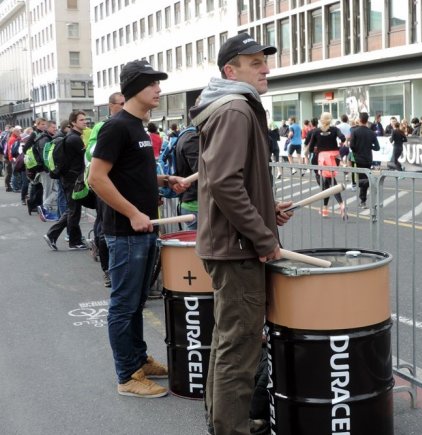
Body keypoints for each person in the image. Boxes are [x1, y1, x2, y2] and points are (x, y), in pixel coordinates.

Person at [187, 32, 293, 435]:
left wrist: (267, 211)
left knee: (227, 341)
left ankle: (223, 422)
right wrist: (262, 237)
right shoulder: (235, 109)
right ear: (231, 71)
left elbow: (229, 180)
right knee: (240, 345)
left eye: (264, 61)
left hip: (229, 244)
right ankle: (230, 428)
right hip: (237, 249)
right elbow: (225, 184)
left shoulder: (230, 106)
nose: (266, 69)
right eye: (255, 63)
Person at [88, 60, 189, 398]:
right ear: (134, 88)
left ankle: (138, 360)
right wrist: (132, 213)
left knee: (136, 304)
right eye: (152, 84)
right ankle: (127, 376)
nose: (159, 89)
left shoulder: (137, 127)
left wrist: (163, 180)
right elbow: (96, 178)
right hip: (125, 233)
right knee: (124, 305)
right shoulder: (116, 127)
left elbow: (127, 172)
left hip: (143, 231)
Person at [86, 92, 125, 287]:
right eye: (121, 104)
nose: (125, 107)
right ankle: (107, 270)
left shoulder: (132, 124)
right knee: (105, 229)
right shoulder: (103, 126)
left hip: (126, 188)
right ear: (111, 106)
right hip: (106, 186)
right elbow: (90, 153)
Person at [42, 111, 88, 251]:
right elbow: (86, 158)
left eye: (85, 119)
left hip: (69, 178)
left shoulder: (72, 137)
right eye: (81, 120)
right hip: (73, 179)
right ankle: (72, 241)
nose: (85, 122)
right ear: (73, 122)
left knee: (72, 209)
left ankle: (60, 236)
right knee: (73, 211)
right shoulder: (74, 139)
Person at [308, 112, 347, 219]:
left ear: (321, 120)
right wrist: (340, 143)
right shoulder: (335, 129)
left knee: (330, 182)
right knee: (327, 182)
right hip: (335, 156)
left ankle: (341, 204)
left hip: (324, 158)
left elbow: (310, 148)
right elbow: (343, 138)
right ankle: (325, 208)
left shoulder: (316, 131)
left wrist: (317, 148)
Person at [350, 112, 380, 208]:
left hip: (358, 158)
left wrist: (356, 151)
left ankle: (363, 199)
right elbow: (377, 147)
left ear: (359, 119)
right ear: (367, 120)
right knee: (365, 177)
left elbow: (352, 146)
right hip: (368, 158)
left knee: (361, 178)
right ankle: (363, 199)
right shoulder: (371, 132)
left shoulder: (355, 131)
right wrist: (370, 146)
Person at [175, 121, 199, 229]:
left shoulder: (185, 135)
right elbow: (203, 172)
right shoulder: (192, 138)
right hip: (195, 204)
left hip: (190, 201)